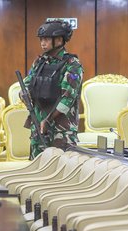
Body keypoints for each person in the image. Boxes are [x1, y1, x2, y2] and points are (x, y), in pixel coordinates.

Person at [22, 19, 83, 159]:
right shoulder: (39, 62)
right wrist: (23, 93)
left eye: (47, 39)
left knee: (62, 173)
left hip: (61, 130)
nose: (42, 43)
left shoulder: (72, 64)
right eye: (41, 39)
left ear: (60, 40)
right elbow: (28, 82)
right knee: (36, 169)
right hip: (38, 126)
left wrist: (48, 120)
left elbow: (67, 98)